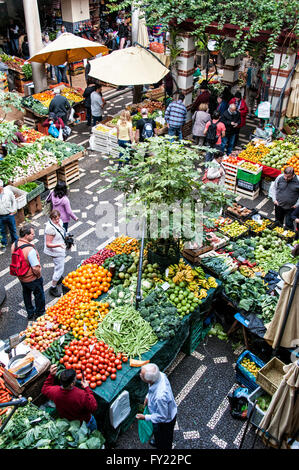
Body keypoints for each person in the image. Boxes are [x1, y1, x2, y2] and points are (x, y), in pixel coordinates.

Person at [41, 365, 98, 431]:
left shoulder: (55, 391)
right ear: (72, 383)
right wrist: (87, 388)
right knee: (92, 431)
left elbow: (44, 389)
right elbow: (94, 407)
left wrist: (51, 375)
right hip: (84, 422)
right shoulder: (81, 395)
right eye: (75, 379)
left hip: (68, 421)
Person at [136, 363, 177, 450]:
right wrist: (148, 396)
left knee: (165, 438)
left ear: (149, 380)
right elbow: (152, 389)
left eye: (142, 375)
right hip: (160, 411)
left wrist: (145, 417)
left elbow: (162, 417)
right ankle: (158, 441)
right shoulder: (160, 375)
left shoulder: (160, 397)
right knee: (158, 432)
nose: (140, 374)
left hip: (166, 421)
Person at [11, 224, 45, 322]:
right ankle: (40, 313)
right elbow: (35, 268)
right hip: (32, 278)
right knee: (39, 295)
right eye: (32, 234)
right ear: (26, 235)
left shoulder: (15, 244)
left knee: (26, 293)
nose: (34, 236)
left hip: (21, 276)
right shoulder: (30, 250)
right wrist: (38, 276)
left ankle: (30, 312)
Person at [44, 210, 66, 297]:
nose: (57, 221)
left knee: (57, 265)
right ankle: (53, 287)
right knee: (59, 269)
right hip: (56, 251)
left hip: (59, 248)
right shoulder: (50, 229)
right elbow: (48, 244)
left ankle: (59, 278)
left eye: (58, 218)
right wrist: (59, 245)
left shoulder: (59, 222)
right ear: (51, 218)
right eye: (55, 219)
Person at [0, 179, 18, 249]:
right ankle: (3, 243)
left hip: (9, 214)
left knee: (13, 229)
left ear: (1, 187)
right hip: (0, 216)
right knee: (1, 230)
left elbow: (14, 201)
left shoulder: (8, 192)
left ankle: (15, 241)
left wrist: (14, 210)